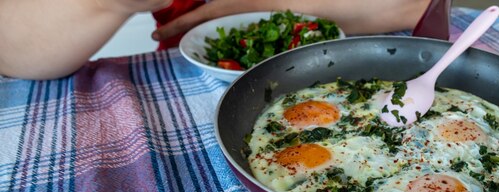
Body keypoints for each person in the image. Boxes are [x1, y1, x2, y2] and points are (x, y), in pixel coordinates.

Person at [0, 0, 431, 80]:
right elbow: (13, 51)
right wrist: (104, 4)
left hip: (357, 70)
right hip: (188, 88)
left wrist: (264, 6)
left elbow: (413, 7)